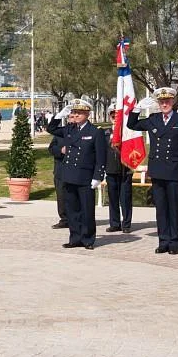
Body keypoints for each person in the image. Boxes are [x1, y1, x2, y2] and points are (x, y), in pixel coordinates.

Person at [128, 87, 178, 255]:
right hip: (157, 170)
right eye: (161, 102)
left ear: (173, 102)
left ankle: (175, 242)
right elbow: (131, 124)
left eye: (167, 101)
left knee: (173, 207)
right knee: (161, 208)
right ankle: (163, 240)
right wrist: (137, 109)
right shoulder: (153, 119)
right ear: (158, 103)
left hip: (174, 170)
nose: (164, 104)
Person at [47, 98, 106, 249]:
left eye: (80, 113)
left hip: (85, 177)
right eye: (74, 112)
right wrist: (60, 114)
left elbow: (100, 156)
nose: (76, 115)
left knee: (86, 210)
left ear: (87, 114)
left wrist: (98, 176)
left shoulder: (95, 132)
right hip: (69, 175)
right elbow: (51, 129)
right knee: (72, 210)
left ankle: (87, 239)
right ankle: (75, 238)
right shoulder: (69, 129)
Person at [102, 106, 132, 233]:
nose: (115, 119)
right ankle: (114, 223)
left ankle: (126, 224)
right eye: (113, 116)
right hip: (110, 168)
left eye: (118, 116)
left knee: (125, 198)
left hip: (125, 169)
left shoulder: (128, 132)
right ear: (110, 117)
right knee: (113, 198)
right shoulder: (104, 132)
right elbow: (101, 151)